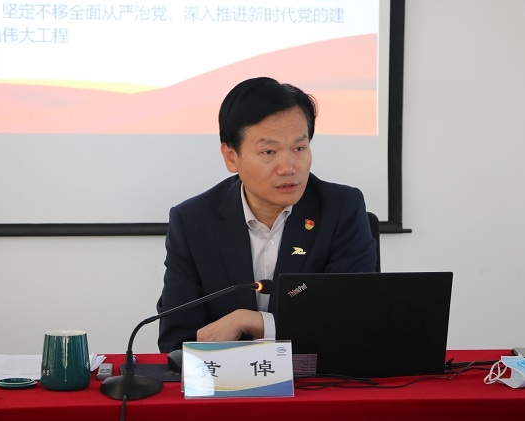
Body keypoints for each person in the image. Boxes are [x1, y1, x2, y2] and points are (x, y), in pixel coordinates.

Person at [156, 77, 376, 353]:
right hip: (225, 378)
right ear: (231, 156)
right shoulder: (193, 221)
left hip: (317, 376)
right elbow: (177, 339)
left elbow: (353, 322)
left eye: (299, 148)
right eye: (269, 151)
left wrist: (254, 322)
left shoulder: (340, 209)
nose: (288, 167)